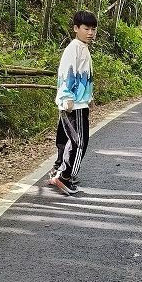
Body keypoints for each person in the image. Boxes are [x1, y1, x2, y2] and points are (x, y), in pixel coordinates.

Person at [48, 11, 97, 196]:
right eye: (86, 29)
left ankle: (58, 169)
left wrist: (88, 99)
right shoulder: (74, 48)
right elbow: (67, 73)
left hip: (78, 101)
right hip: (73, 104)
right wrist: (67, 96)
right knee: (80, 141)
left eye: (93, 29)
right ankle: (65, 177)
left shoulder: (82, 47)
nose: (90, 32)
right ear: (76, 28)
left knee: (65, 138)